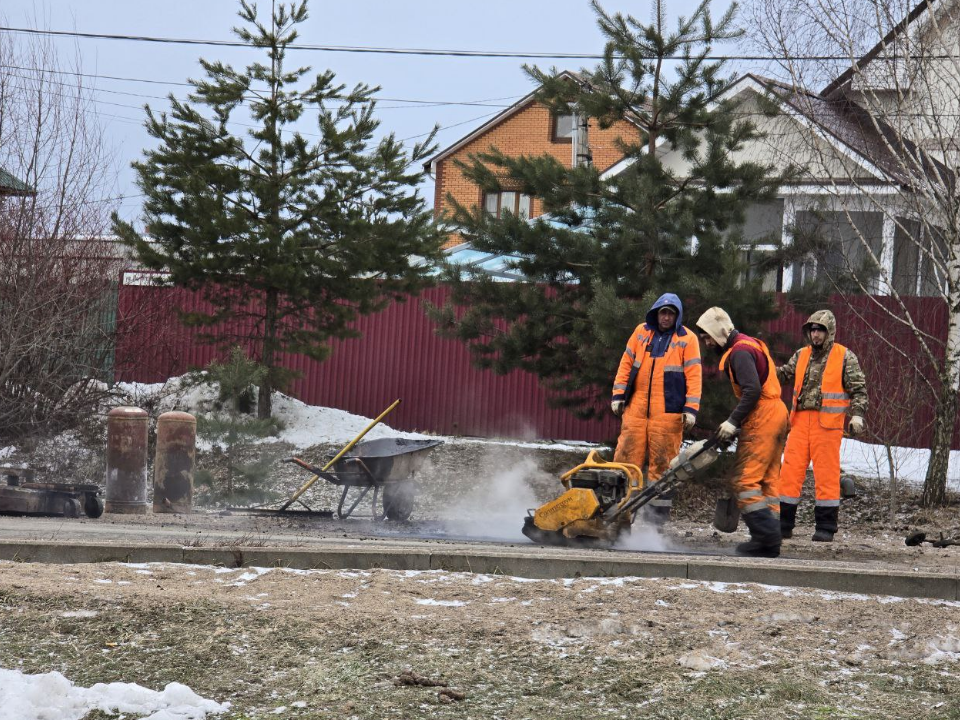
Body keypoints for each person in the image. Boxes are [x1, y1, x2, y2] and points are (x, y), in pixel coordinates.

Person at [695, 306, 789, 558]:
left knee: (745, 480)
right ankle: (771, 538)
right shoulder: (750, 345)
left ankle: (766, 539)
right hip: (777, 413)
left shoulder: (739, 352)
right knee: (767, 480)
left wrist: (733, 422)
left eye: (707, 337)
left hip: (764, 415)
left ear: (720, 332)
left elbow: (752, 391)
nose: (706, 343)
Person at [776, 310, 868, 542]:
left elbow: (859, 389)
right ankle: (783, 524)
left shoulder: (845, 356)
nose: (815, 334)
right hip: (798, 423)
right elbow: (784, 375)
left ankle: (826, 527)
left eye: (820, 330)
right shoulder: (801, 355)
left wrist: (857, 416)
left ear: (830, 332)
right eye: (812, 330)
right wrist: (761, 366)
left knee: (826, 476)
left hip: (827, 426)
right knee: (789, 474)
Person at [611, 293, 702, 521]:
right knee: (625, 461)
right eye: (663, 312)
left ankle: (654, 526)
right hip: (636, 408)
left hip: (668, 414)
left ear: (677, 316)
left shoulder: (687, 339)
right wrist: (618, 395)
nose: (666, 317)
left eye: (671, 313)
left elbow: (694, 376)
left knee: (662, 469)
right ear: (656, 313)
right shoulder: (641, 333)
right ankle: (617, 516)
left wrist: (690, 410)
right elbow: (626, 363)